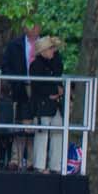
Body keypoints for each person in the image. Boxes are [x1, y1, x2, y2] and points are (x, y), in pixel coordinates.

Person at [0, 21, 41, 170]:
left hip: (38, 90)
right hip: (20, 88)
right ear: (24, 27)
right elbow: (5, 66)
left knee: (34, 124)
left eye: (35, 26)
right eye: (30, 25)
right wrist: (14, 81)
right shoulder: (14, 45)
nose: (33, 28)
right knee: (20, 123)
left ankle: (31, 160)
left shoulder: (46, 46)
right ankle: (15, 159)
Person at [28, 35, 65, 172]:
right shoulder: (35, 65)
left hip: (55, 105)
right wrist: (54, 91)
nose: (52, 51)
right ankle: (40, 165)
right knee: (42, 134)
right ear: (42, 51)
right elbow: (38, 85)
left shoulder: (55, 63)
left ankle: (56, 165)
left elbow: (58, 72)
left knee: (58, 132)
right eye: (50, 49)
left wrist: (57, 92)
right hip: (42, 104)